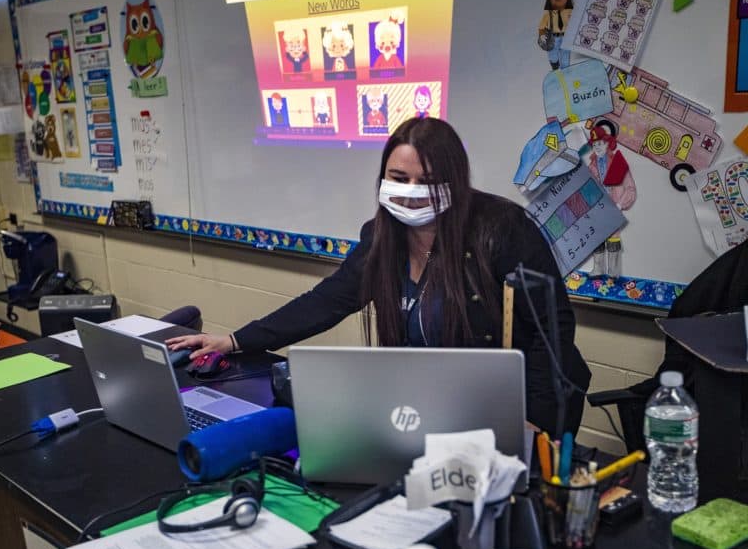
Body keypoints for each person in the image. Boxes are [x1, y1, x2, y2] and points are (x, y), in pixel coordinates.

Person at [168, 118, 591, 436]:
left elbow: (550, 332)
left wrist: (535, 422)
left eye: (426, 181)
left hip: (499, 410)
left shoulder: (503, 228)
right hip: (426, 409)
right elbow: (328, 299)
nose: (409, 191)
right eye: (399, 178)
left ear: (454, 182)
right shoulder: (382, 236)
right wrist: (237, 340)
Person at [538, 0, 574, 70]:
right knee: (552, 55)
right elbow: (542, 26)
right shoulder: (548, 13)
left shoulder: (570, 11)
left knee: (565, 58)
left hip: (566, 37)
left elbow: (576, 22)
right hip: (554, 37)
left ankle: (565, 71)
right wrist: (542, 34)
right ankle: (554, 65)